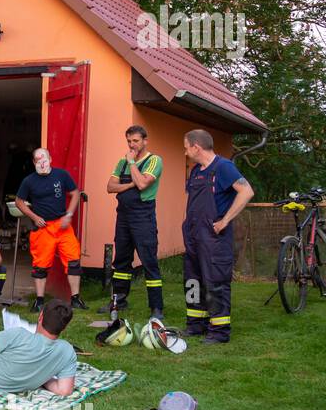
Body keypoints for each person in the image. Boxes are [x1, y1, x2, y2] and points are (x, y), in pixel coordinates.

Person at [181, 130, 253, 343]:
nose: (185, 152)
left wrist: (225, 220)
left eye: (186, 147)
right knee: (192, 281)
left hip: (214, 238)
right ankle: (195, 324)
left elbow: (246, 191)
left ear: (196, 147)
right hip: (194, 236)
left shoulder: (223, 167)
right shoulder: (196, 171)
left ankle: (219, 331)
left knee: (215, 282)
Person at [103, 125, 164, 318]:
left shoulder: (154, 160)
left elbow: (143, 183)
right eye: (129, 141)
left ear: (145, 141)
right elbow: (110, 187)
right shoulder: (121, 162)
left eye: (136, 141)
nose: (132, 144)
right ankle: (118, 301)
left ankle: (156, 307)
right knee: (121, 261)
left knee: (148, 261)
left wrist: (132, 164)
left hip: (143, 217)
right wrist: (129, 184)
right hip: (123, 216)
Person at [15, 148, 87, 312]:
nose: (42, 162)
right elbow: (19, 201)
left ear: (50, 159)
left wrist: (69, 214)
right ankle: (39, 301)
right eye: (38, 160)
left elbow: (75, 193)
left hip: (62, 226)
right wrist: (33, 217)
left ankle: (75, 299)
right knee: (40, 265)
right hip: (42, 228)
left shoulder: (61, 175)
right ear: (34, 163)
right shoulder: (28, 181)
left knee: (73, 261)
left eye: (44, 159)